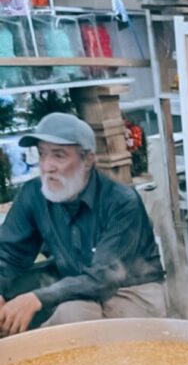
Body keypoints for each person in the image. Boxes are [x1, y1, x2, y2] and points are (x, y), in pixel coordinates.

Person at [0, 112, 166, 335]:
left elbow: (104, 277)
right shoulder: (33, 194)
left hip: (131, 290)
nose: (47, 166)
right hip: (76, 291)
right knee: (73, 314)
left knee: (89, 327)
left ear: (87, 160)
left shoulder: (121, 201)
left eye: (59, 156)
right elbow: (8, 253)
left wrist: (35, 299)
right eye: (41, 154)